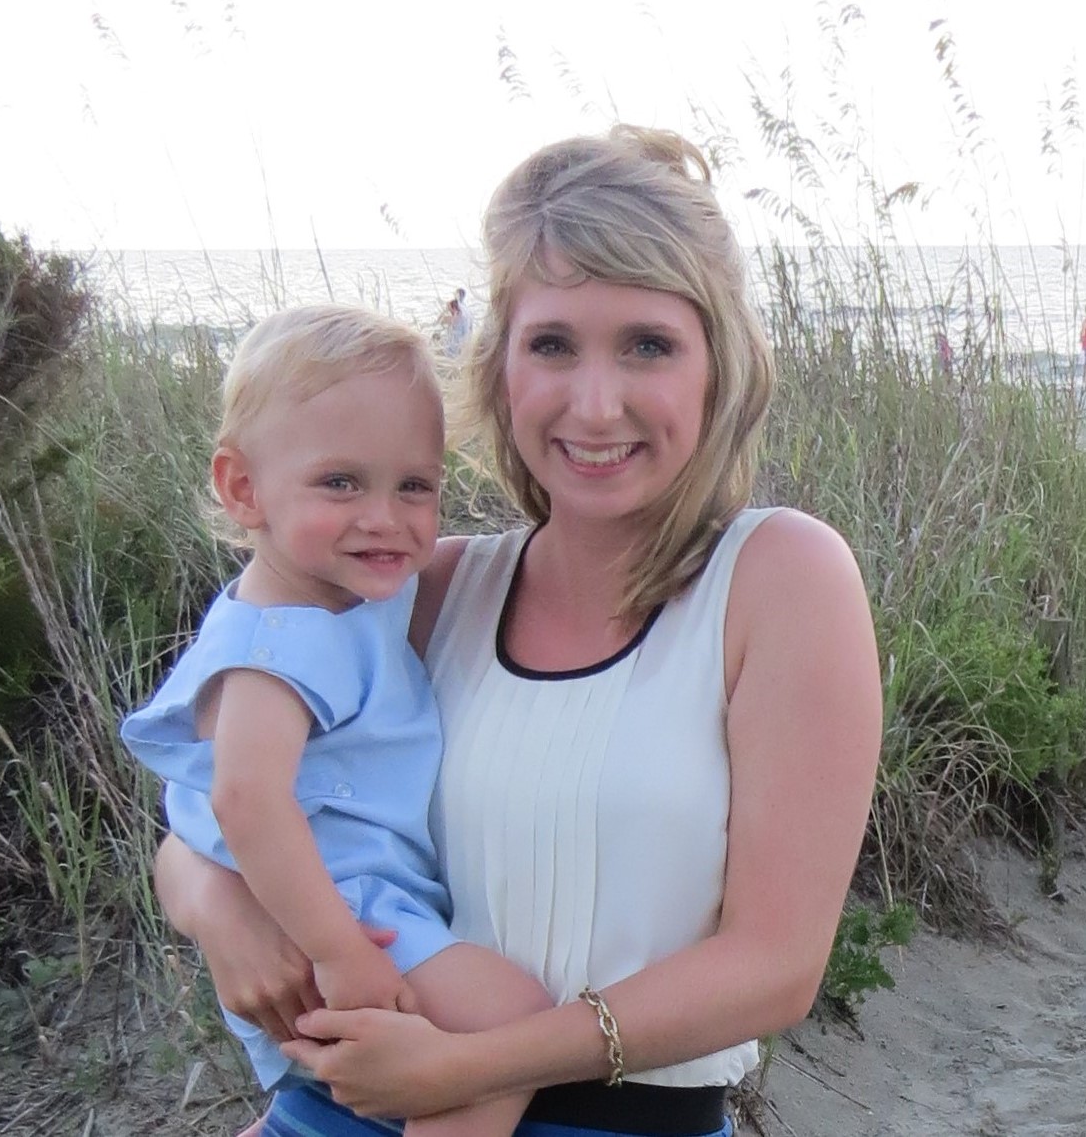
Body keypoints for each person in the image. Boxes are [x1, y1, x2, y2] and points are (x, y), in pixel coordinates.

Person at [155, 127, 882, 1137]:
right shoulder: (419, 588)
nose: (596, 403)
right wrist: (214, 906)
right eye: (552, 345)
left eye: (648, 345)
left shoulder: (778, 579)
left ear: (718, 368)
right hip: (340, 1108)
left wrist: (466, 1070)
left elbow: (774, 967)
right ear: (500, 365)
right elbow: (221, 794)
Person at [122, 305, 549, 1137]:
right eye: (340, 483)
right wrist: (339, 950)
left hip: (350, 908)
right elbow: (244, 798)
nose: (384, 517)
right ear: (243, 489)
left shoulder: (339, 599)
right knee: (512, 1022)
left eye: (414, 486)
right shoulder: (280, 644)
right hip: (344, 915)